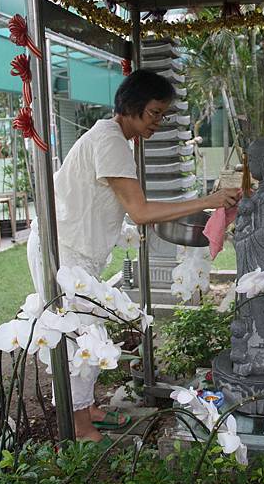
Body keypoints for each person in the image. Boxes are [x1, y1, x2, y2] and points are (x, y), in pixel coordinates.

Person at [28, 69, 239, 442]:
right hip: (61, 254)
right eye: (154, 113)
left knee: (92, 332)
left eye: (162, 114)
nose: (158, 122)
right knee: (81, 337)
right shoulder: (110, 141)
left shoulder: (111, 138)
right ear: (131, 106)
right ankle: (78, 427)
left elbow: (125, 208)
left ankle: (87, 408)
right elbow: (140, 211)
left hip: (73, 251)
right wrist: (209, 200)